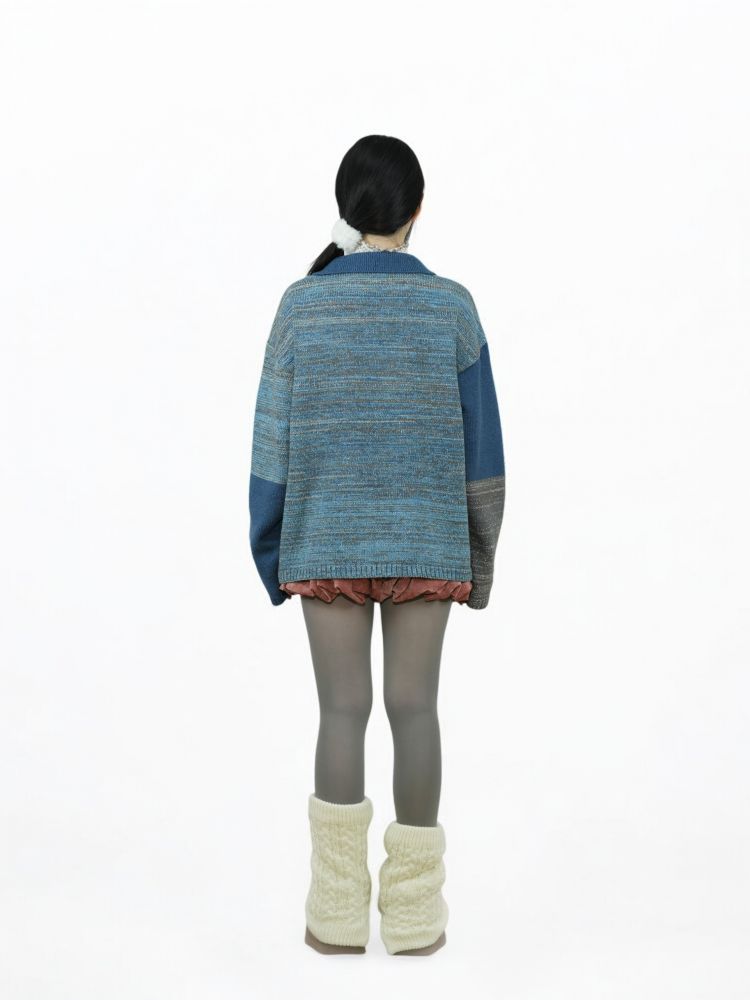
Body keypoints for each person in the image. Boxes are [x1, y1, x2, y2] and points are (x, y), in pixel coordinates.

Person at [249, 135, 505, 956]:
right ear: (418, 209)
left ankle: (334, 915)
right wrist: (478, 558)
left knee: (341, 711)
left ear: (347, 208)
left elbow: (270, 447)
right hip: (428, 544)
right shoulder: (452, 308)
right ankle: (416, 918)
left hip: (324, 541)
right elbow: (484, 454)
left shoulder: (301, 306)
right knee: (415, 709)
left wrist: (272, 550)